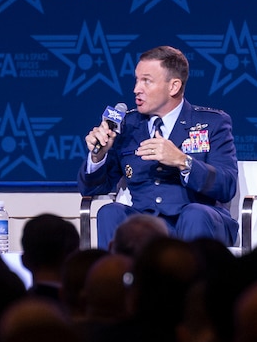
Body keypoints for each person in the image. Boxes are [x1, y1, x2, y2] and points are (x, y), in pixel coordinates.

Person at [80, 45, 238, 249]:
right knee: (109, 212)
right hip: (147, 225)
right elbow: (91, 189)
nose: (136, 89)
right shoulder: (127, 125)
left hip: (199, 221)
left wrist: (183, 161)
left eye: (146, 81)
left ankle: (195, 281)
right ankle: (115, 279)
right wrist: (98, 156)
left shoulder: (212, 123)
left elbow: (226, 186)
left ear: (173, 87)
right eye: (137, 80)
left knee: (195, 214)